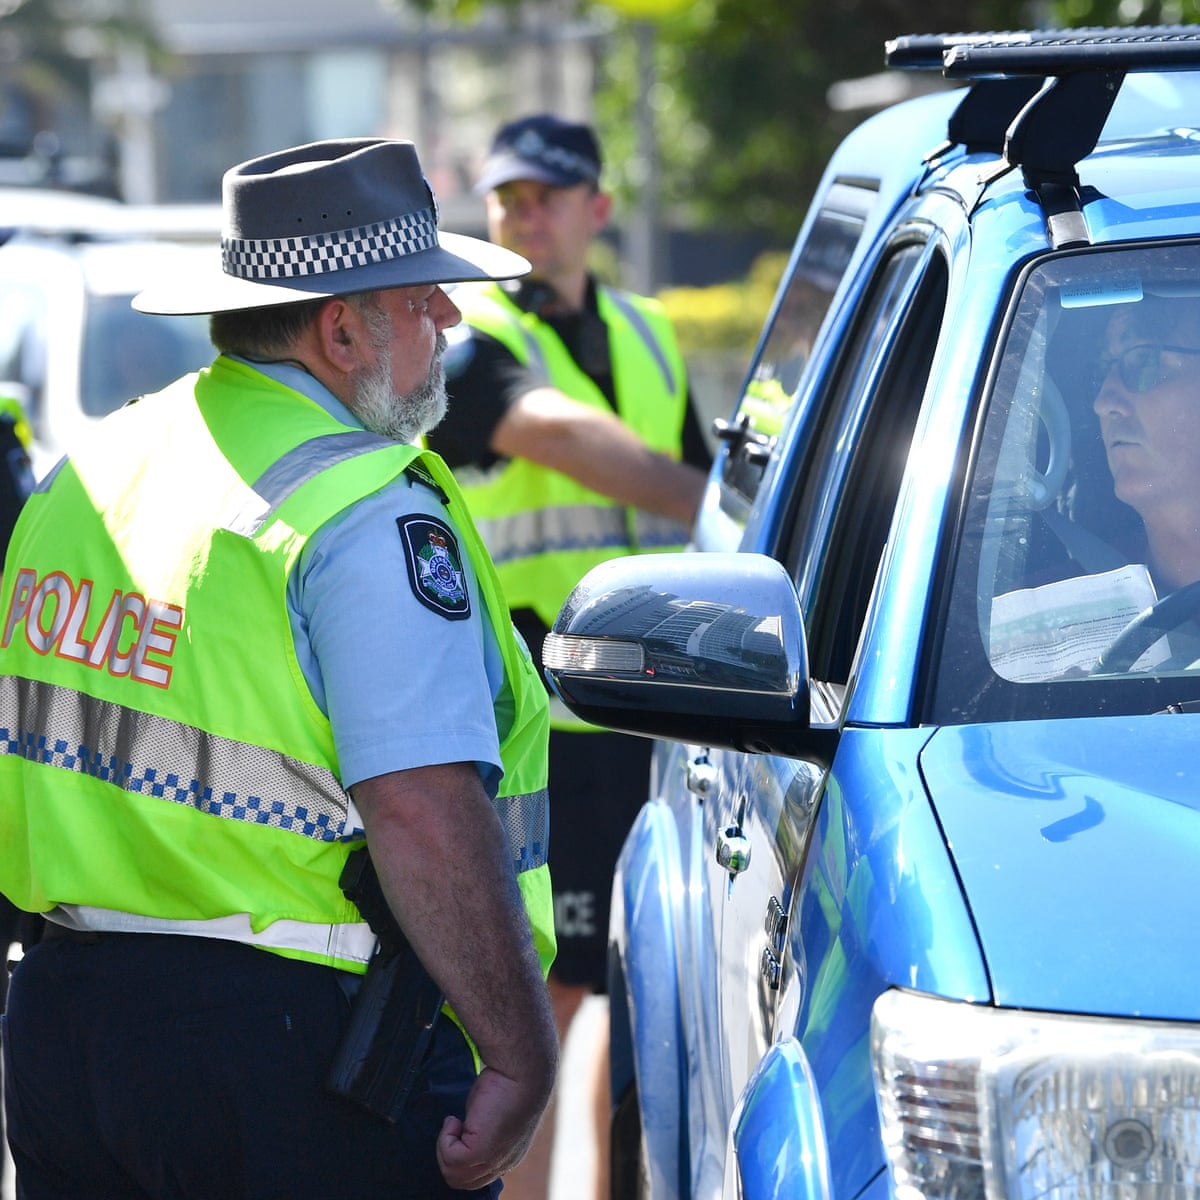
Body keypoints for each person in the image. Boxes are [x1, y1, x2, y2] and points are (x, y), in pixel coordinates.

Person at [0, 138, 558, 1199]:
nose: (449, 320)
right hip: (295, 1050)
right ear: (340, 328)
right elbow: (422, 808)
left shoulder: (95, 468)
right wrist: (521, 1056)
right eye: (422, 296)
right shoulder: (360, 508)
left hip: (66, 1031)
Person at [424, 113, 711, 1200]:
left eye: (544, 198)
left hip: (658, 719)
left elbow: (681, 478)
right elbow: (550, 433)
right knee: (539, 1014)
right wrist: (730, 510)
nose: (523, 218)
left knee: (644, 1014)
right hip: (541, 736)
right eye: (505, 200)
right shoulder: (467, 333)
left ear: (596, 207)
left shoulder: (647, 332)